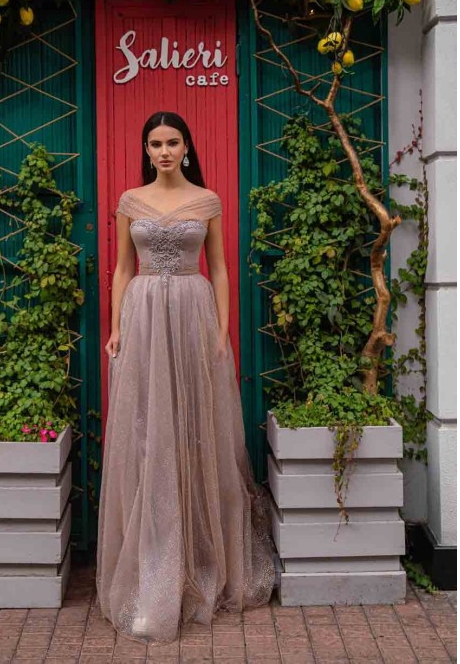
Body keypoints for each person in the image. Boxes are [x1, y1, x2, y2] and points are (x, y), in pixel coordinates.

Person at [95, 111, 275, 644]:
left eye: (172, 142)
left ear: (187, 147)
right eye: (155, 143)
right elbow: (123, 268)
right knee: (148, 438)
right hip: (145, 318)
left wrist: (221, 332)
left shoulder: (207, 200)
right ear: (146, 150)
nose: (164, 151)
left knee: (196, 434)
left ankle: (198, 563)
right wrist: (116, 328)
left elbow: (218, 268)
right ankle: (152, 572)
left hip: (193, 317)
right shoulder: (131, 200)